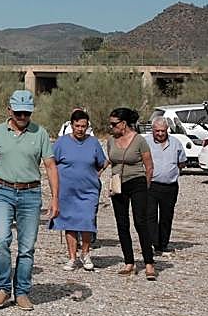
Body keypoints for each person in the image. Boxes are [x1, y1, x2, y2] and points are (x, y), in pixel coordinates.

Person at [0, 89, 58, 311]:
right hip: (2, 191)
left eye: (26, 113)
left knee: (26, 247)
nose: (22, 117)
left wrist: (55, 199)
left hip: (30, 194)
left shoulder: (40, 133)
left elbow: (51, 166)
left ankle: (22, 291)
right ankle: (3, 288)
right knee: (2, 240)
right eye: (18, 113)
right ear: (9, 111)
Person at [50, 109, 106, 273]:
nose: (80, 129)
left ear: (87, 126)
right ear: (71, 125)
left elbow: (101, 162)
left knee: (87, 221)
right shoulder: (61, 143)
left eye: (83, 126)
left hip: (89, 190)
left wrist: (95, 174)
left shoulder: (94, 142)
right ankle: (72, 257)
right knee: (70, 223)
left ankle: (86, 253)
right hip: (67, 190)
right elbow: (52, 163)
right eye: (77, 126)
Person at [105, 108, 156, 280]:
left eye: (114, 124)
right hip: (118, 183)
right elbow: (110, 160)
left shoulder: (139, 140)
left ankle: (149, 263)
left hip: (137, 182)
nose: (111, 127)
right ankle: (129, 262)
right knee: (121, 223)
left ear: (123, 124)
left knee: (140, 222)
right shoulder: (111, 141)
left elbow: (149, 166)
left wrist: (146, 186)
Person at [146, 116, 186, 257]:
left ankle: (163, 244)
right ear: (152, 130)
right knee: (150, 216)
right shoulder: (146, 142)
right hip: (151, 185)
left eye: (163, 131)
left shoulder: (175, 143)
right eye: (157, 131)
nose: (160, 134)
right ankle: (153, 243)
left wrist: (172, 173)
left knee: (166, 216)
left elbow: (181, 162)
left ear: (167, 129)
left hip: (170, 186)